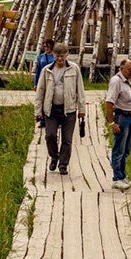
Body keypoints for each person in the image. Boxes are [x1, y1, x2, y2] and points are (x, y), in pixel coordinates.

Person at [34, 42, 85, 175]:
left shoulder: (74, 69)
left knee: (67, 139)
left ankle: (63, 164)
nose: (60, 59)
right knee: (50, 136)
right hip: (51, 109)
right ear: (54, 55)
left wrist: (82, 110)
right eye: (57, 56)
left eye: (62, 56)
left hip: (69, 110)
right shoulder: (47, 70)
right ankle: (54, 156)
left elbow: (80, 90)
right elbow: (40, 91)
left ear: (67, 55)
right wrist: (38, 111)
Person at [104, 59, 131, 190]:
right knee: (119, 148)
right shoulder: (116, 81)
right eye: (129, 70)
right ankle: (116, 178)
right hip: (121, 117)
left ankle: (123, 175)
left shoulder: (128, 81)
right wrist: (112, 122)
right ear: (121, 69)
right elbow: (109, 103)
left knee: (126, 149)